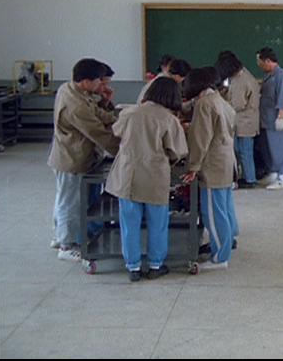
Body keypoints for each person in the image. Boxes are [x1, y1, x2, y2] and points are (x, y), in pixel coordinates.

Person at [105, 77, 188, 282]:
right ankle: (155, 264)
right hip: (155, 175)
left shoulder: (130, 112)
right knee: (157, 222)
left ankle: (132, 267)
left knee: (129, 222)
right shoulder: (168, 120)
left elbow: (115, 133)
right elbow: (178, 150)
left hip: (128, 174)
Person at [47, 58, 121, 261]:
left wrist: (117, 117)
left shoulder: (74, 90)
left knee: (65, 199)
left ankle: (59, 236)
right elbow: (98, 133)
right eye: (99, 81)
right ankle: (66, 246)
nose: (102, 85)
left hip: (74, 155)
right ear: (86, 80)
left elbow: (96, 112)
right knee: (71, 203)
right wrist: (125, 151)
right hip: (72, 159)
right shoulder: (76, 104)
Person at [180, 67, 238, 270]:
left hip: (213, 165)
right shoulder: (220, 101)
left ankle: (220, 257)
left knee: (212, 213)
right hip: (225, 161)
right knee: (224, 208)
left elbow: (200, 139)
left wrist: (193, 166)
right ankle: (226, 245)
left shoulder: (205, 104)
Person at [216, 51, 260, 189]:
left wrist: (222, 104)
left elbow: (238, 104)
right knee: (239, 150)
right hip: (242, 121)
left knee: (245, 151)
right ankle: (246, 176)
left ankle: (250, 179)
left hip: (245, 121)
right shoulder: (239, 75)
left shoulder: (242, 80)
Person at [256, 47, 283, 191]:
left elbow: (282, 98)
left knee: (279, 149)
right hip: (266, 119)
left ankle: (282, 178)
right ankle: (273, 173)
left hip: (276, 119)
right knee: (269, 148)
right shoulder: (268, 75)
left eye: (260, 62)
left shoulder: (281, 76)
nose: (259, 65)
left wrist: (280, 117)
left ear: (268, 61)